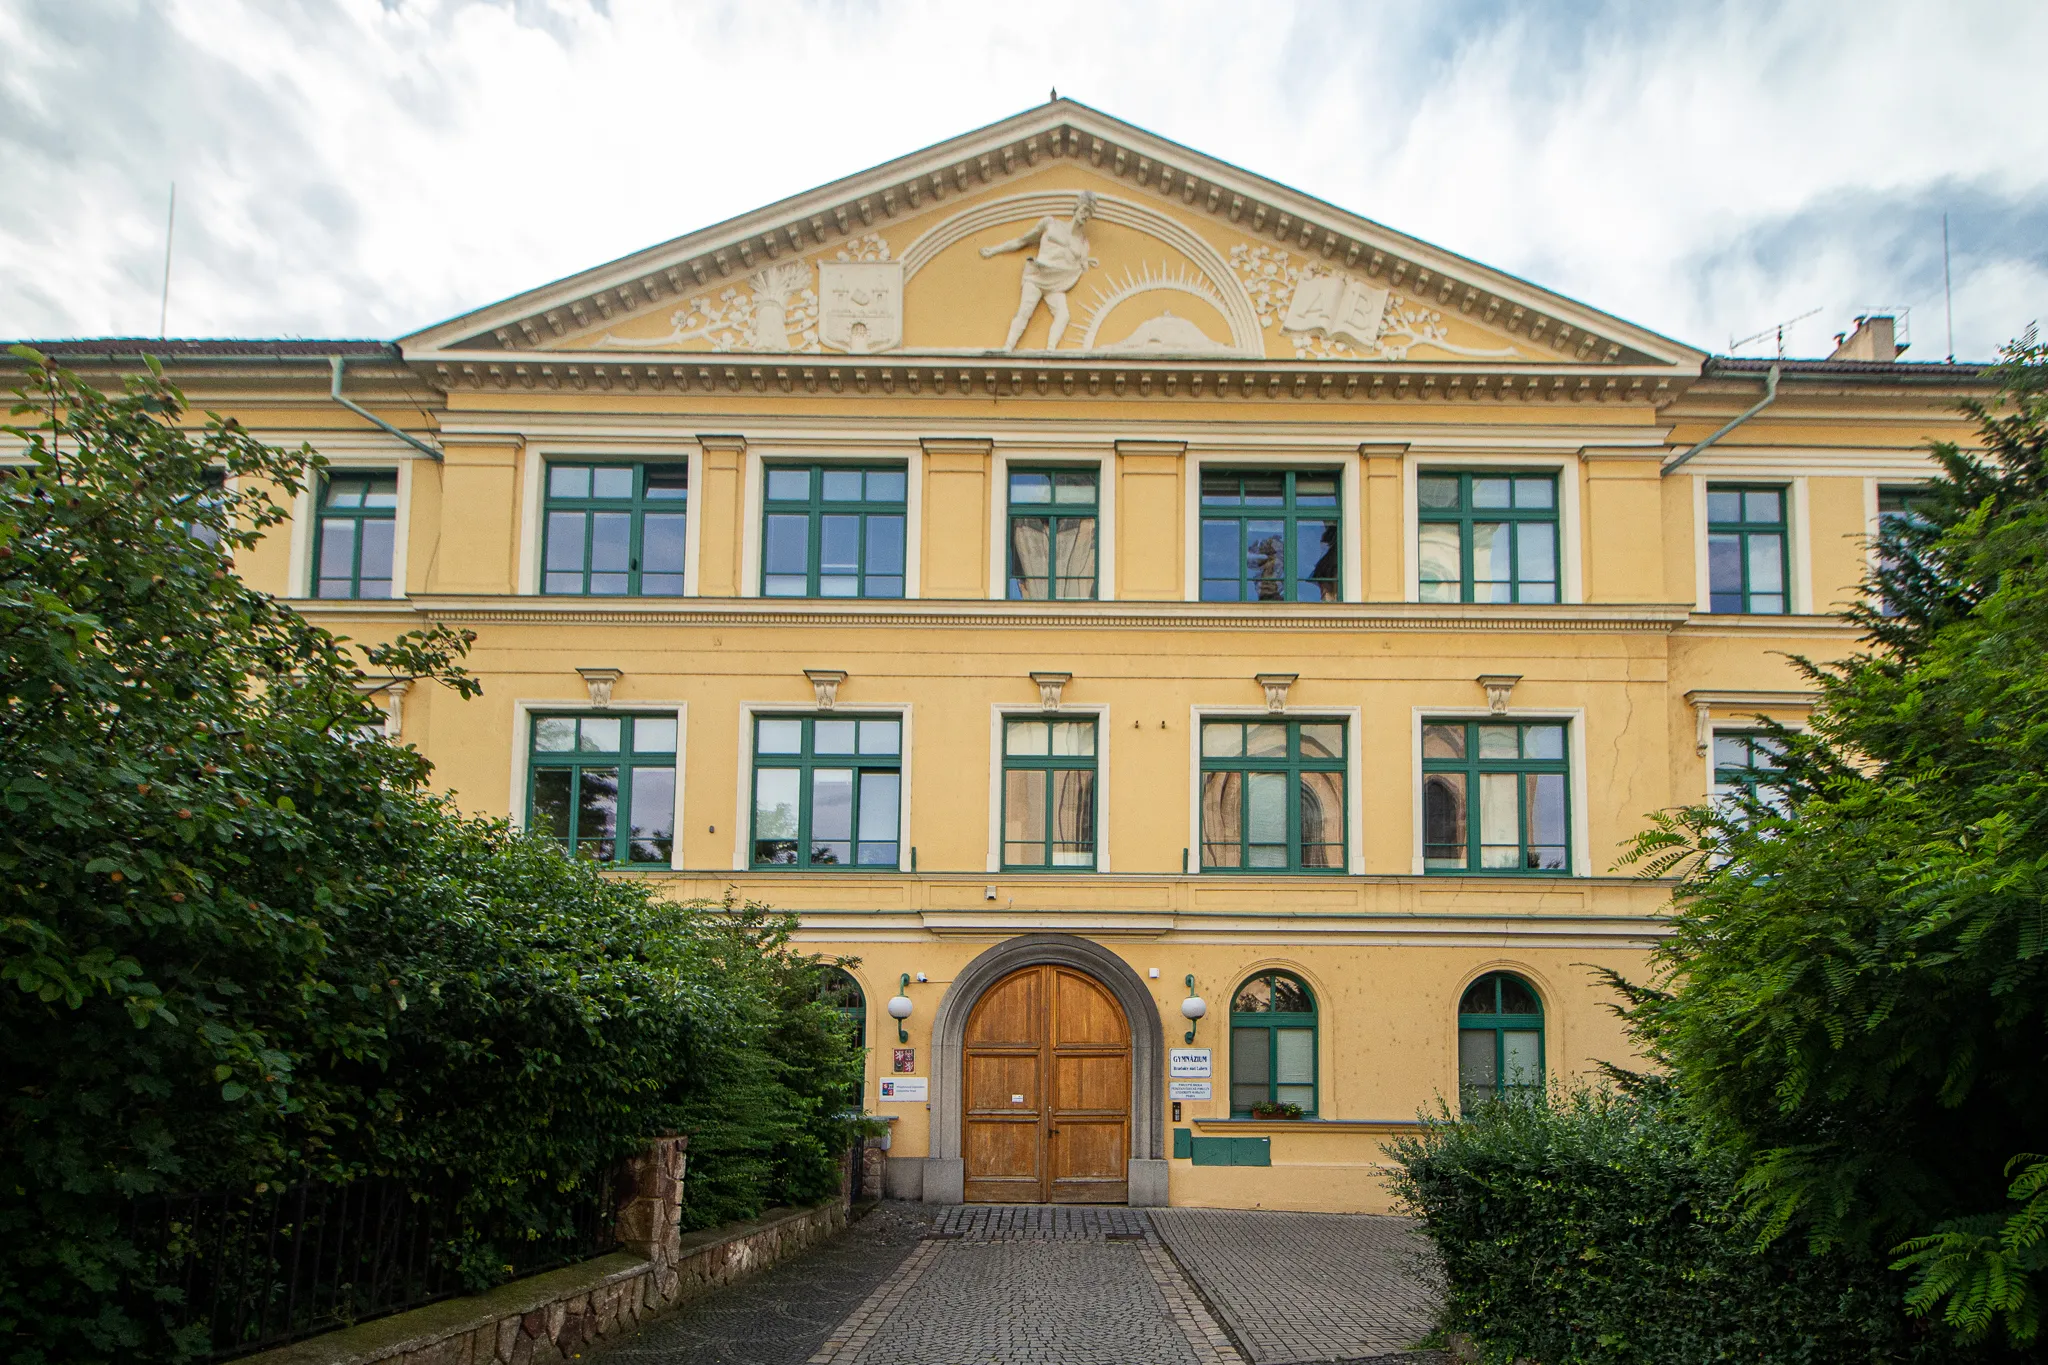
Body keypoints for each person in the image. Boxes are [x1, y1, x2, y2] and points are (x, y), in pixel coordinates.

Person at [980, 192, 1099, 351]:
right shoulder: (1051, 224)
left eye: (1090, 214)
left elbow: (1080, 265)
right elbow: (1022, 241)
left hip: (1055, 284)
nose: (1086, 215)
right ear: (1077, 207)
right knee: (1024, 312)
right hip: (1037, 275)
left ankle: (1050, 352)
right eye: (1084, 210)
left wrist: (1088, 262)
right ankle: (1007, 348)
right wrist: (995, 250)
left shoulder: (1082, 243)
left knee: (1063, 316)